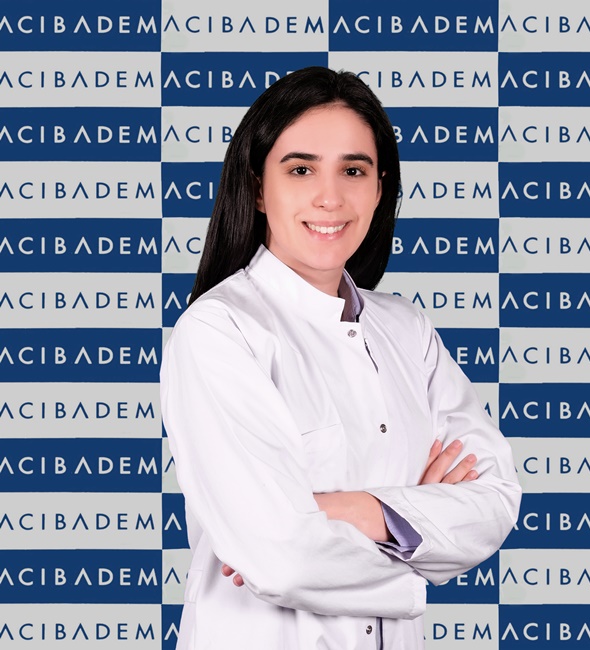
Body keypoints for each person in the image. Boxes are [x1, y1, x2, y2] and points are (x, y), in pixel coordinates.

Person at [160, 66, 521, 650]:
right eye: (300, 169)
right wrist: (419, 529)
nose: (330, 197)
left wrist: (342, 510)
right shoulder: (219, 330)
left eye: (354, 170)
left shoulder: (408, 330)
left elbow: (495, 501)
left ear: (380, 188)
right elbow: (281, 558)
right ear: (258, 188)